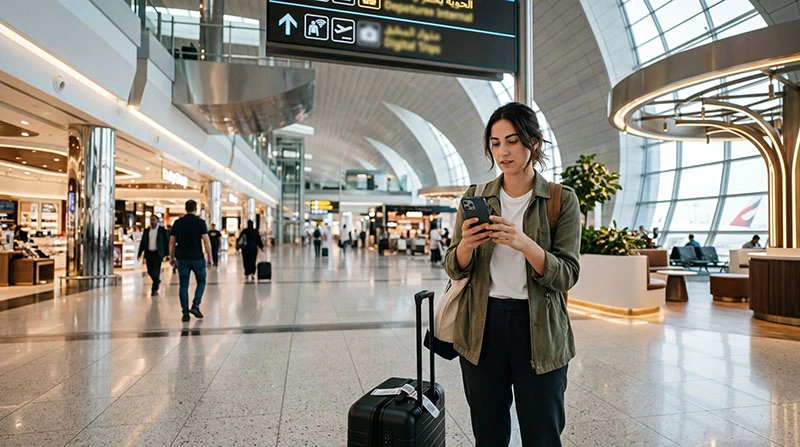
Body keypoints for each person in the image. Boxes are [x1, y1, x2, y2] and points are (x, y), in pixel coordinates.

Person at [444, 102, 581, 446]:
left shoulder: (560, 200)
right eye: (495, 142)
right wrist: (466, 247)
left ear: (533, 142)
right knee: (488, 434)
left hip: (539, 329)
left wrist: (525, 244)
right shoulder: (476, 197)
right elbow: (452, 265)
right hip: (482, 328)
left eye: (512, 141)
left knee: (542, 434)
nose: (503, 151)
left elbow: (567, 274)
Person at [169, 200, 213, 322]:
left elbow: (172, 241)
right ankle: (195, 305)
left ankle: (185, 313)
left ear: (185, 208)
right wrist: (210, 257)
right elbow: (206, 240)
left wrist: (171, 257)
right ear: (196, 209)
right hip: (197, 258)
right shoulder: (200, 223)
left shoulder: (177, 223)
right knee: (201, 281)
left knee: (183, 285)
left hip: (182, 258)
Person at [137, 215, 169, 296]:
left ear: (157, 221)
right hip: (149, 253)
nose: (152, 221)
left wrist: (167, 254)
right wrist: (139, 253)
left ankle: (154, 289)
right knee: (149, 270)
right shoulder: (147, 231)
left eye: (153, 220)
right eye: (151, 220)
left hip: (158, 253)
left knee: (156, 270)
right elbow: (143, 243)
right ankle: (157, 281)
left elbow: (166, 242)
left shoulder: (162, 230)